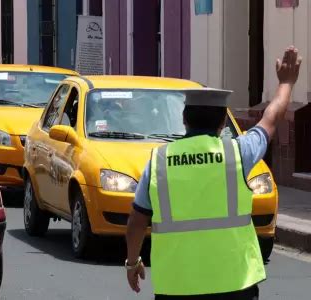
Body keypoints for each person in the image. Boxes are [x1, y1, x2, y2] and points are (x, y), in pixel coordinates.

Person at [125, 46, 302, 299]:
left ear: (184, 119)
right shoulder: (239, 152)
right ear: (222, 124)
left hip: (177, 286)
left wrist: (133, 262)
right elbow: (271, 119)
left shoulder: (159, 161)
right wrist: (286, 83)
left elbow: (136, 221)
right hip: (235, 284)